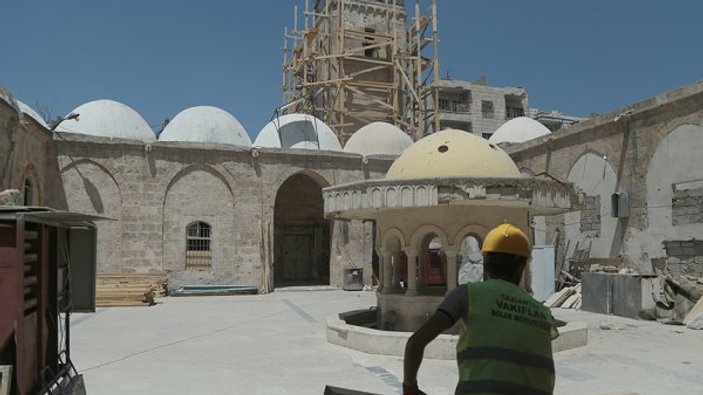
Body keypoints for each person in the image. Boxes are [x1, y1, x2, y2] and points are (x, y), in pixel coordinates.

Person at [402, 223, 558, 395]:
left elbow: (415, 343)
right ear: (522, 266)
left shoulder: (469, 294)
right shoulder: (543, 313)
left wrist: (410, 388)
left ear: (486, 262)